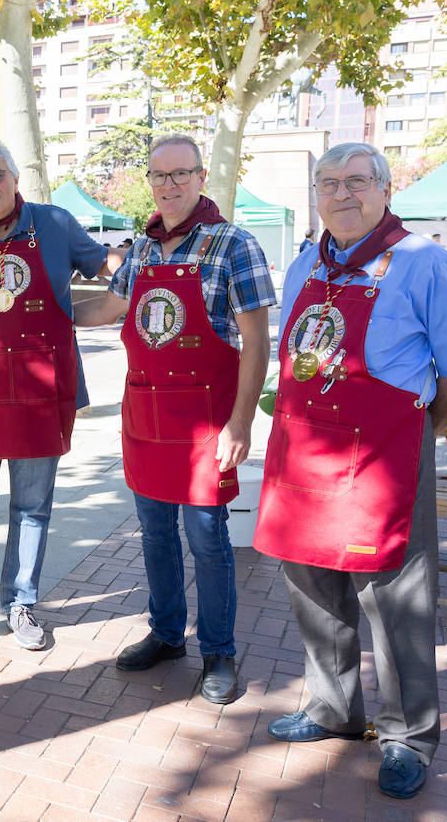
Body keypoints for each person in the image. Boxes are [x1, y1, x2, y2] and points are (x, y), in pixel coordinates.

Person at [255, 143, 447, 800]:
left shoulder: (426, 263)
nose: (341, 193)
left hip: (381, 461)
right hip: (304, 455)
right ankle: (332, 709)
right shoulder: (307, 260)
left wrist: (418, 429)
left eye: (357, 181)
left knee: (394, 605)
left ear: (386, 190)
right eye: (328, 183)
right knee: (313, 591)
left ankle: (408, 737)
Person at [73, 134, 275, 704]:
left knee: (207, 540)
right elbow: (108, 309)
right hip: (145, 422)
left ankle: (218, 651)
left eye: (180, 174)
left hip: (205, 423)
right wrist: (42, 314)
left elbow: (256, 342)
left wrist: (242, 422)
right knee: (155, 536)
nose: (169, 185)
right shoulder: (140, 250)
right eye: (159, 176)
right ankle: (166, 635)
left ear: (201, 176)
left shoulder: (233, 244)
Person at [0, 136, 122, 653]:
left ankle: (21, 603)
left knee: (32, 508)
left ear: (15, 179)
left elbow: (111, 270)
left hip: (41, 392)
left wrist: (151, 267)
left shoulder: (55, 225)